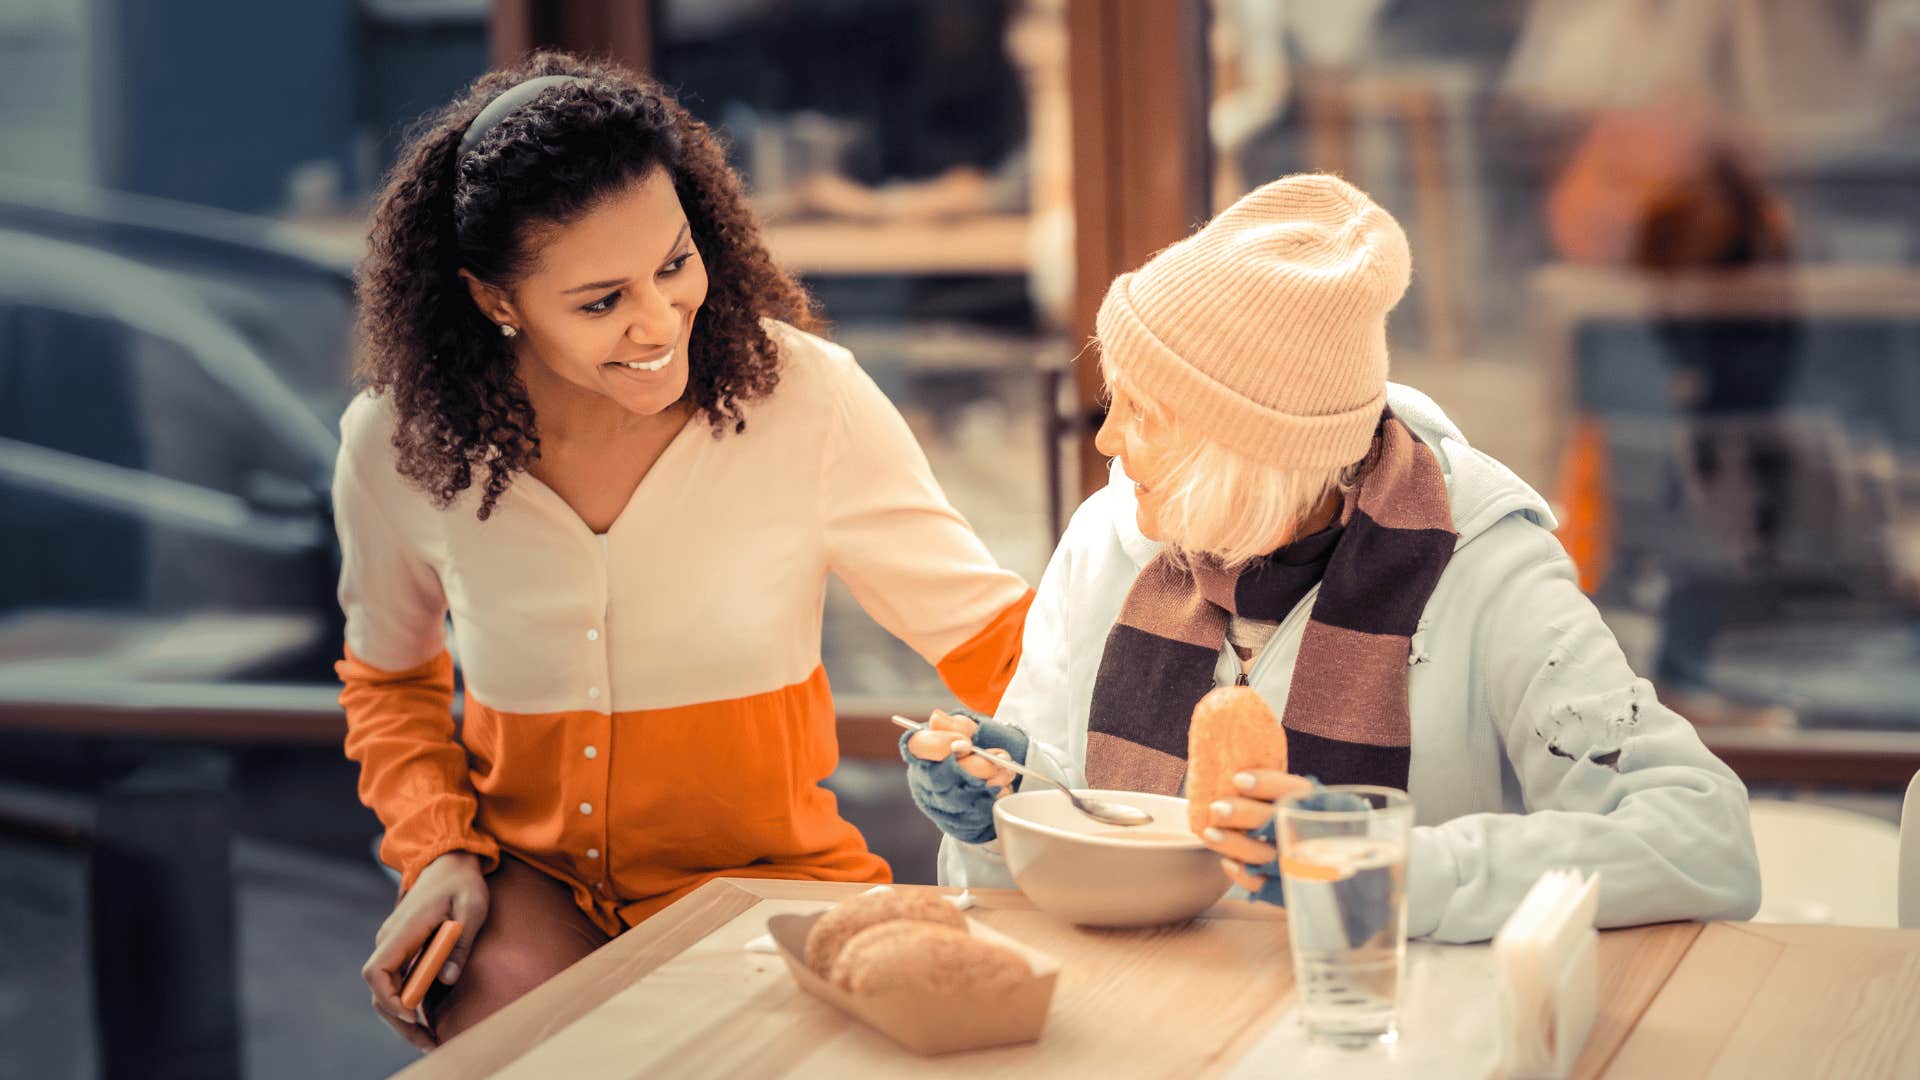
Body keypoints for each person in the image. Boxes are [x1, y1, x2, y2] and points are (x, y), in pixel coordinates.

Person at [338, 52, 1033, 1048]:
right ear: (497, 301)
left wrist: (1152, 753)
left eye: (673, 264)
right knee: (506, 1030)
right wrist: (436, 850)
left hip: (770, 888)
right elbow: (390, 682)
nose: (658, 321)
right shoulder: (396, 445)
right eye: (599, 300)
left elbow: (992, 636)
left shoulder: (806, 399)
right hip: (529, 886)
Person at [903, 174, 1761, 943]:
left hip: (1393, 1029)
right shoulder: (1108, 538)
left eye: (1142, 411)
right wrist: (999, 817)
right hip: (1136, 1021)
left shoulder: (1486, 568)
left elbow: (1701, 840)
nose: (1105, 438)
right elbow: (1040, 853)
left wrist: (1383, 869)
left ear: (1246, 449)